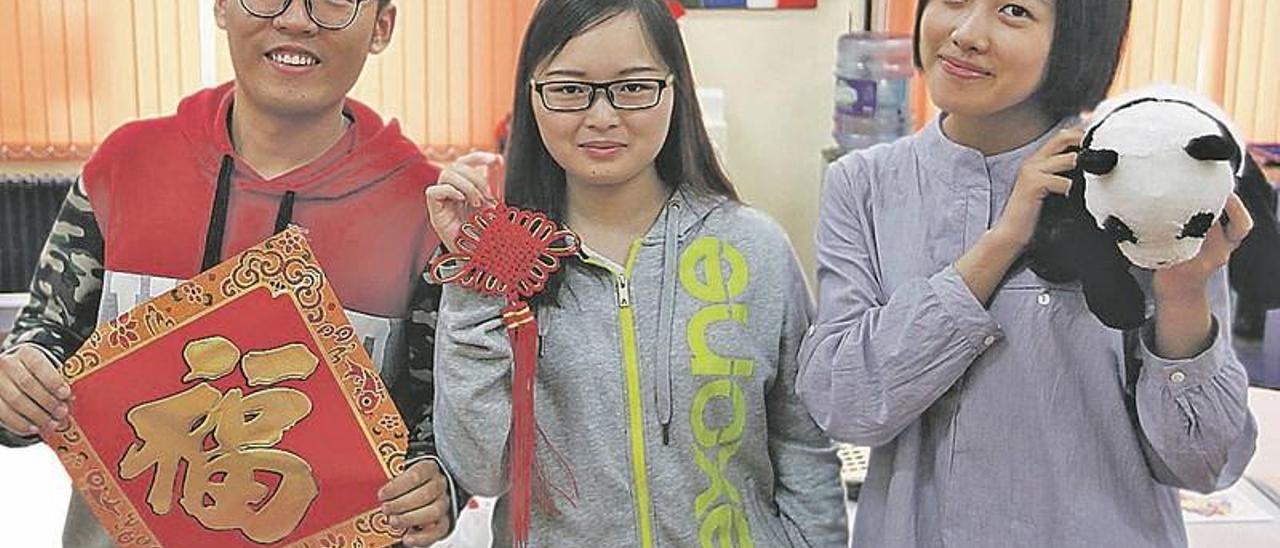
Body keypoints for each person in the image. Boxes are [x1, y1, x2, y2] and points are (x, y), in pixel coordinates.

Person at [797, 1, 1257, 546]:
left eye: (1014, 10)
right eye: (952, 0)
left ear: (1076, 39)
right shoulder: (864, 185)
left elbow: (1204, 464)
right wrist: (1001, 242)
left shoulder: (1136, 180)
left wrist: (1182, 296)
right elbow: (842, 405)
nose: (966, 34)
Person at [0, 1, 457, 546]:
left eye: (333, 0)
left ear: (381, 26)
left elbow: (442, 409)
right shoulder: (127, 163)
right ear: (220, 7)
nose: (295, 20)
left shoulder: (427, 211)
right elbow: (47, 333)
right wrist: (20, 382)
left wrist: (437, 482)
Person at [427, 0, 846, 546]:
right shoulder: (511, 259)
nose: (602, 116)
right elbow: (479, 470)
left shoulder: (753, 249)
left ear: (676, 90)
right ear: (531, 98)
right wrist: (476, 273)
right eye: (570, 89)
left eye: (633, 86)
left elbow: (803, 447)